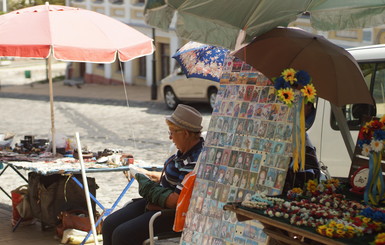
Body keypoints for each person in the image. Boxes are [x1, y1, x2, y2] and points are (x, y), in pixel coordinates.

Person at [102, 104, 204, 245]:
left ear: (185, 133)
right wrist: (145, 173)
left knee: (122, 234)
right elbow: (168, 179)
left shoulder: (195, 160)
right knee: (109, 223)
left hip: (171, 214)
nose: (170, 137)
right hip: (157, 203)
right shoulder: (183, 150)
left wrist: (149, 188)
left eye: (172, 132)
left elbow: (175, 200)